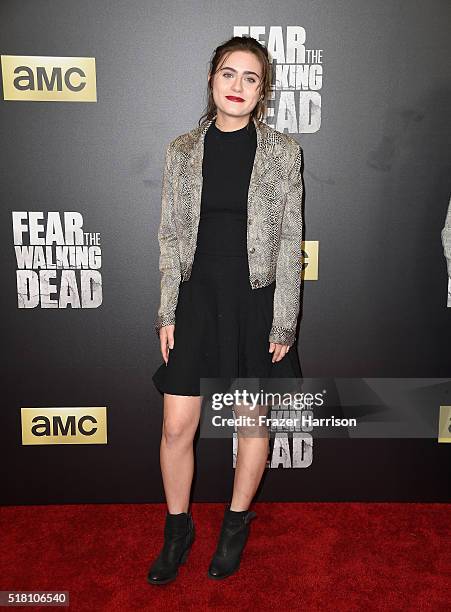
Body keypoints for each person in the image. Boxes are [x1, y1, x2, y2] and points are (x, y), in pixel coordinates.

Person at [148, 35, 304, 584]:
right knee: (176, 427)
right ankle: (178, 529)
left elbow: (289, 239)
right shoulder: (182, 150)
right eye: (229, 74)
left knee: (250, 422)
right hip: (196, 299)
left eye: (251, 78)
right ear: (212, 79)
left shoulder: (284, 152)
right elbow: (170, 237)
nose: (238, 86)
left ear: (262, 92)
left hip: (254, 300)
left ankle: (236, 523)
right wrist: (167, 310)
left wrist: (284, 317)